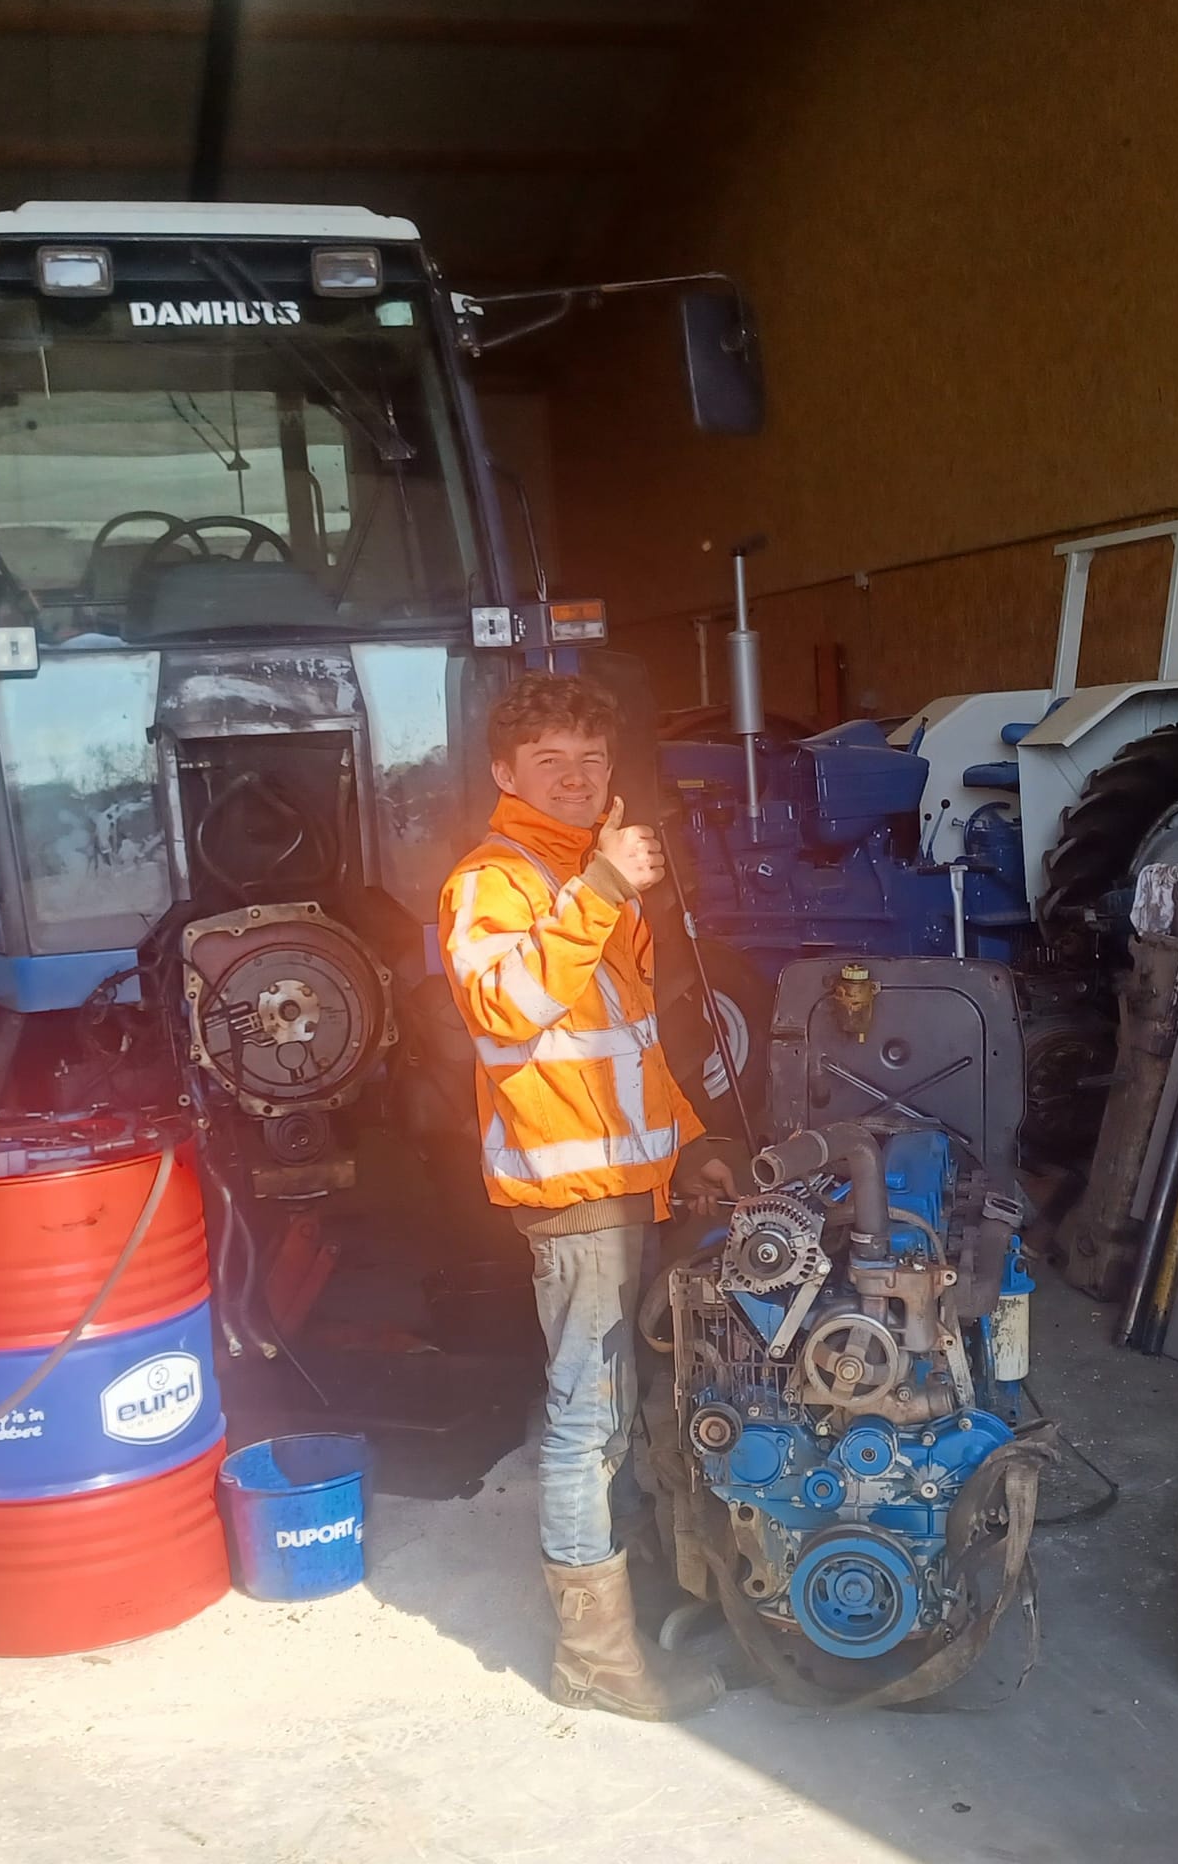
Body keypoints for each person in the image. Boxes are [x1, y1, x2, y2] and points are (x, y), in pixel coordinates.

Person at [438, 671, 737, 1721]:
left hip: (632, 1191)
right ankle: (594, 1660)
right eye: (550, 762)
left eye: (592, 760)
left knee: (631, 1411)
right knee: (583, 1422)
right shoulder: (493, 880)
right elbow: (507, 1013)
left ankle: (644, 1595)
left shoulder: (587, 878)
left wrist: (690, 1143)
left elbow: (632, 1047)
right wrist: (604, 889)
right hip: (574, 1206)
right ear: (505, 773)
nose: (576, 779)